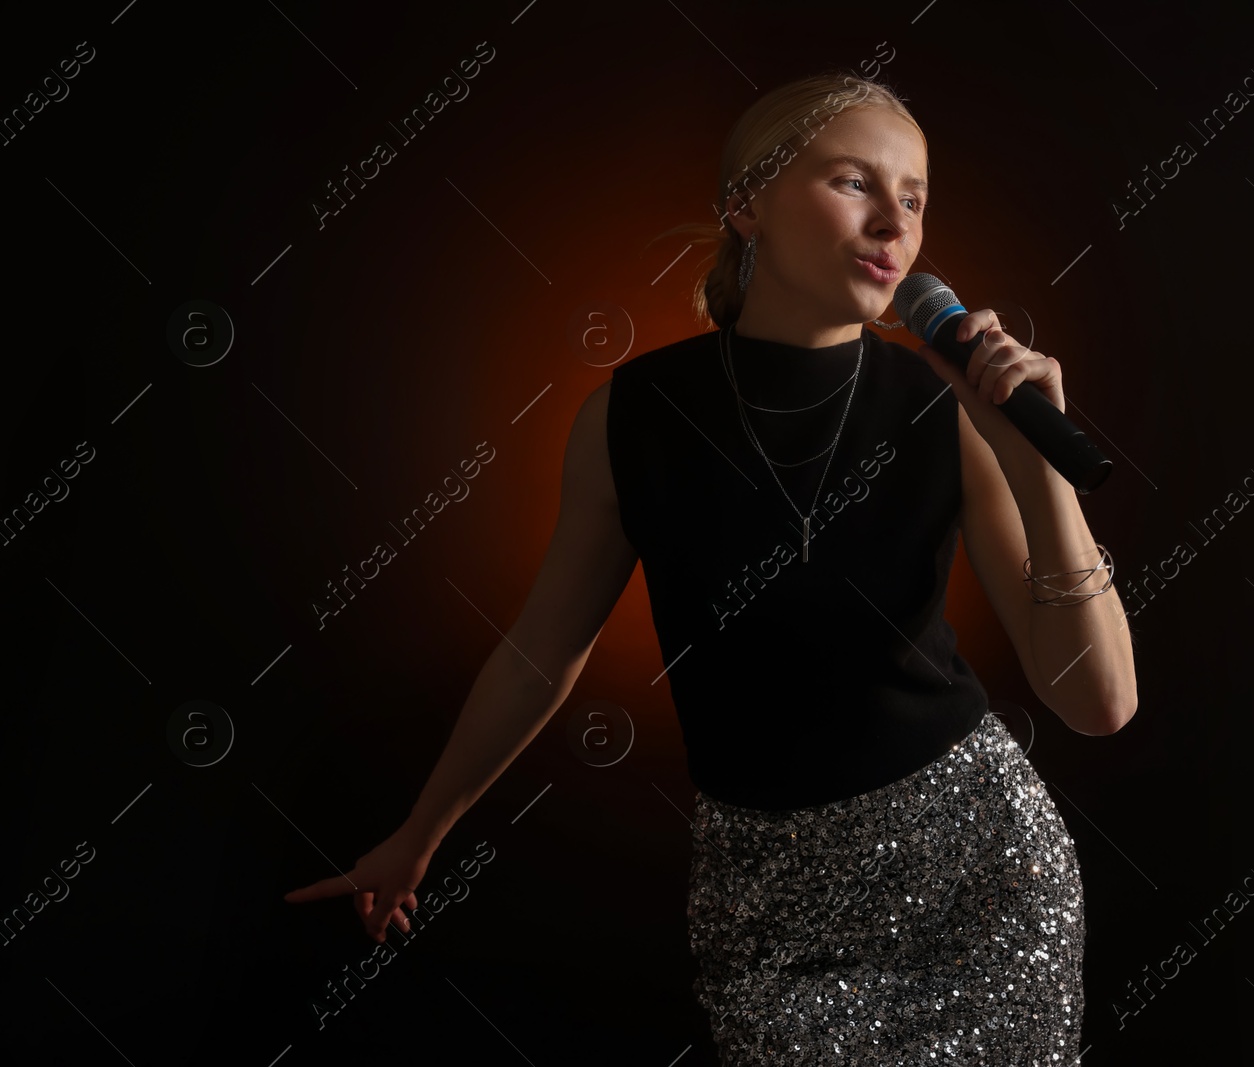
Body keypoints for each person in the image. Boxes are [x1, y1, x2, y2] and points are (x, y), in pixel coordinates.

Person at [285, 68, 1137, 1065]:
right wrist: (419, 832)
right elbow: (538, 654)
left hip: (973, 876)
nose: (892, 221)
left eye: (911, 197)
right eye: (853, 181)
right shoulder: (632, 415)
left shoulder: (943, 411)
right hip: (762, 897)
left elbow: (1098, 703)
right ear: (745, 206)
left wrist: (1041, 473)